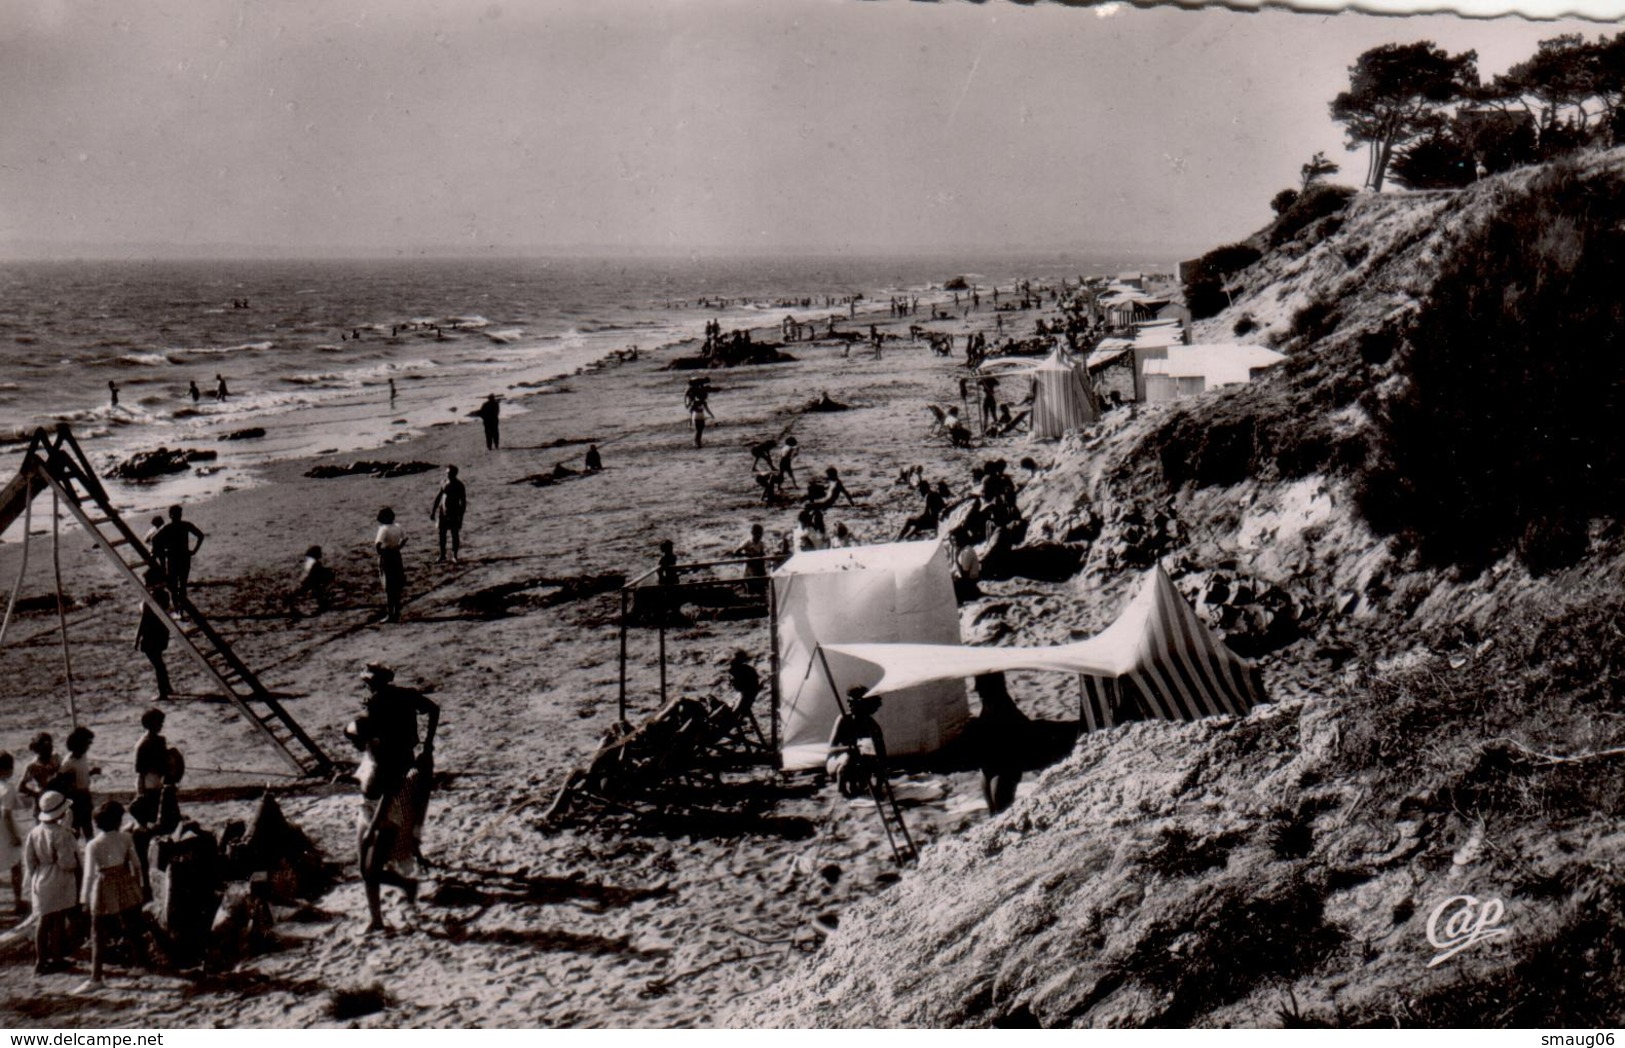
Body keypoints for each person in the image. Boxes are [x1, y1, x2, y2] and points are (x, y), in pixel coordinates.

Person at [348, 663, 439, 933]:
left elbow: (384, 792)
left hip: (386, 795)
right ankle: (411, 853)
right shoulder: (406, 695)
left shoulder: (375, 714)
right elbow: (434, 710)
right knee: (415, 810)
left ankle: (406, 874)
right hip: (406, 763)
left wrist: (372, 827)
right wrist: (429, 742)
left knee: (373, 864)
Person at [82, 801, 144, 985]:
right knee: (132, 925)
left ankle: (96, 976)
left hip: (104, 884)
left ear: (96, 823)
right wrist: (138, 885)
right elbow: (137, 864)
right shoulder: (126, 837)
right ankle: (140, 963)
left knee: (98, 931)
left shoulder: (93, 844)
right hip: (124, 881)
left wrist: (84, 899)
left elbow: (88, 874)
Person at [23, 791, 79, 974]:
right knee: (58, 920)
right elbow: (66, 862)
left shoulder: (34, 832)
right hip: (58, 877)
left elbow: (29, 859)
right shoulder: (62, 834)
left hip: (41, 876)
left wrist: (34, 877)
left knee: (43, 920)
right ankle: (56, 956)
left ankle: (41, 959)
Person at [974, 673, 1026, 816]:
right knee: (995, 811)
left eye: (980, 687)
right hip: (990, 765)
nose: (976, 690)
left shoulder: (1002, 707)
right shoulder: (989, 704)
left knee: (1001, 811)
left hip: (1004, 766)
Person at [826, 687, 887, 798]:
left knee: (869, 759)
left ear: (864, 704)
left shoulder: (873, 727)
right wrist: (850, 748)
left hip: (859, 765)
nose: (849, 704)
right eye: (848, 701)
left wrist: (878, 787)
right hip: (837, 763)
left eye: (853, 701)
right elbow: (830, 749)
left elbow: (882, 757)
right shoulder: (843, 720)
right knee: (851, 756)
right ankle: (842, 789)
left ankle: (859, 784)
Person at [151, 505, 206, 605]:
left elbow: (154, 539)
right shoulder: (185, 525)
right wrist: (194, 551)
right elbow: (200, 536)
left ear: (170, 516)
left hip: (173, 558)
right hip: (184, 557)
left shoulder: (167, 527)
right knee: (182, 584)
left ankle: (177, 609)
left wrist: (160, 553)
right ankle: (180, 609)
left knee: (174, 585)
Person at [57, 727, 99, 840]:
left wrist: (91, 773)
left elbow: (80, 776)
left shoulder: (83, 757)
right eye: (86, 744)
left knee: (88, 826)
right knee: (75, 829)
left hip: (85, 795)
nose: (88, 747)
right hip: (76, 799)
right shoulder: (68, 763)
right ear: (79, 745)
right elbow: (62, 782)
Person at [135, 588, 173, 700]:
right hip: (161, 633)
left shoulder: (149, 600)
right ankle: (167, 687)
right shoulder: (165, 595)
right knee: (159, 663)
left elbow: (143, 620)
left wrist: (137, 639)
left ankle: (163, 692)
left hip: (151, 635)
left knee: (157, 664)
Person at [374, 507, 408, 623]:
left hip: (387, 556)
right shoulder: (398, 527)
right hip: (396, 555)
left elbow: (378, 545)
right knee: (397, 585)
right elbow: (405, 538)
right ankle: (397, 612)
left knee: (389, 586)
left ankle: (390, 614)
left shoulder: (383, 529)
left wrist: (381, 553)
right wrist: (399, 547)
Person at [428, 465, 467, 565]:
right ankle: (442, 555)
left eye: (450, 474)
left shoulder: (459, 485)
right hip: (443, 512)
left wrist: (461, 517)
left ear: (455, 474)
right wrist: (433, 511)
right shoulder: (444, 482)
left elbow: (463, 502)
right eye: (447, 473)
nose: (448, 475)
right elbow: (438, 497)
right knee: (441, 534)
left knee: (454, 534)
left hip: (454, 512)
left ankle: (455, 556)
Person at [0, 752, 23, 915]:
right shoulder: (7, 789)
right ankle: (18, 901)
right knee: (16, 865)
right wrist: (14, 836)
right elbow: (6, 815)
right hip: (4, 831)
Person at [133, 708, 168, 813]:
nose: (161, 726)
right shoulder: (143, 745)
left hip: (159, 781)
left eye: (161, 723)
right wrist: (141, 793)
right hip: (149, 783)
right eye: (158, 723)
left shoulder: (160, 741)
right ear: (149, 725)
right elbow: (140, 772)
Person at [286, 545, 335, 618]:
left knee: (314, 593)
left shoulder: (311, 561)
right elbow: (307, 572)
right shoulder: (311, 562)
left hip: (311, 580)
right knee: (308, 593)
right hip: (310, 581)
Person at [19, 734, 58, 814]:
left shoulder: (56, 758)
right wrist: (37, 794)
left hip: (57, 799)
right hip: (42, 804)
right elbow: (21, 787)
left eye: (50, 748)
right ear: (39, 750)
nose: (49, 752)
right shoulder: (33, 766)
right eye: (46, 750)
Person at [735, 523, 768, 596]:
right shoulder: (747, 542)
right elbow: (736, 552)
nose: (759, 536)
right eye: (757, 534)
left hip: (758, 567)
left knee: (761, 586)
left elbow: (763, 554)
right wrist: (747, 555)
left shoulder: (761, 543)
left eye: (760, 534)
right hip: (750, 566)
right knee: (750, 586)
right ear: (753, 533)